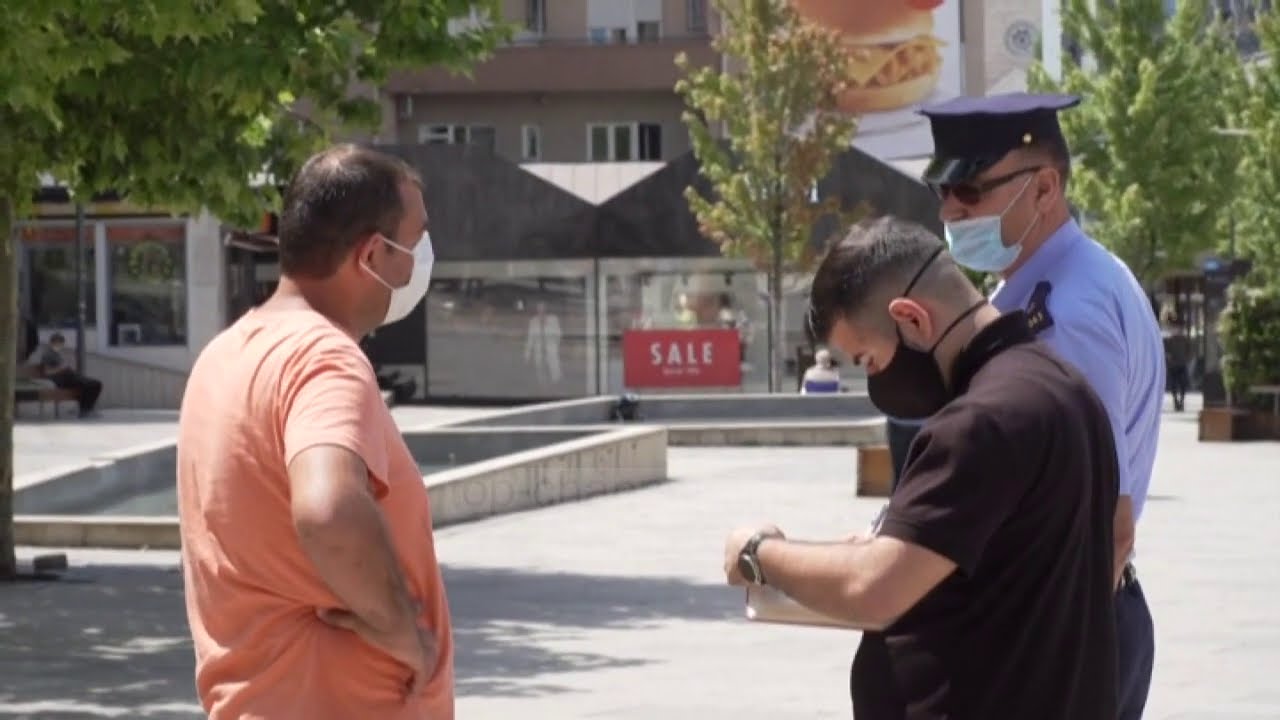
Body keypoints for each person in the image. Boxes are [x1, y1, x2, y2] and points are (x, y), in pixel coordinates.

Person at [723, 216, 1119, 719]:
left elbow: (872, 590)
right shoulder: (1069, 388)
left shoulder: (979, 422)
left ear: (911, 320)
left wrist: (758, 553)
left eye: (868, 360)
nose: (876, 380)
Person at [176, 144, 453, 719]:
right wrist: (402, 630)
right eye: (416, 239)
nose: (422, 259)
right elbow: (328, 509)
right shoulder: (325, 358)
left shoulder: (223, 356)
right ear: (372, 254)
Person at [920, 91, 1164, 720]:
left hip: (1065, 632)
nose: (950, 210)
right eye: (942, 191)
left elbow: (1108, 522)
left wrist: (1043, 657)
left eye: (970, 190)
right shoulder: (1066, 279)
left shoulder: (1065, 315)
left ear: (1045, 188)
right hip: (1072, 620)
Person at [33, 332, 103, 417]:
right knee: (91, 385)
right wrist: (62, 368)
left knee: (95, 384)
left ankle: (86, 409)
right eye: (57, 343)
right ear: (51, 343)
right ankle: (85, 410)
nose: (60, 345)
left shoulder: (56, 354)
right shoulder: (48, 354)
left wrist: (66, 368)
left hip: (69, 377)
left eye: (61, 343)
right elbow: (47, 372)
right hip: (61, 380)